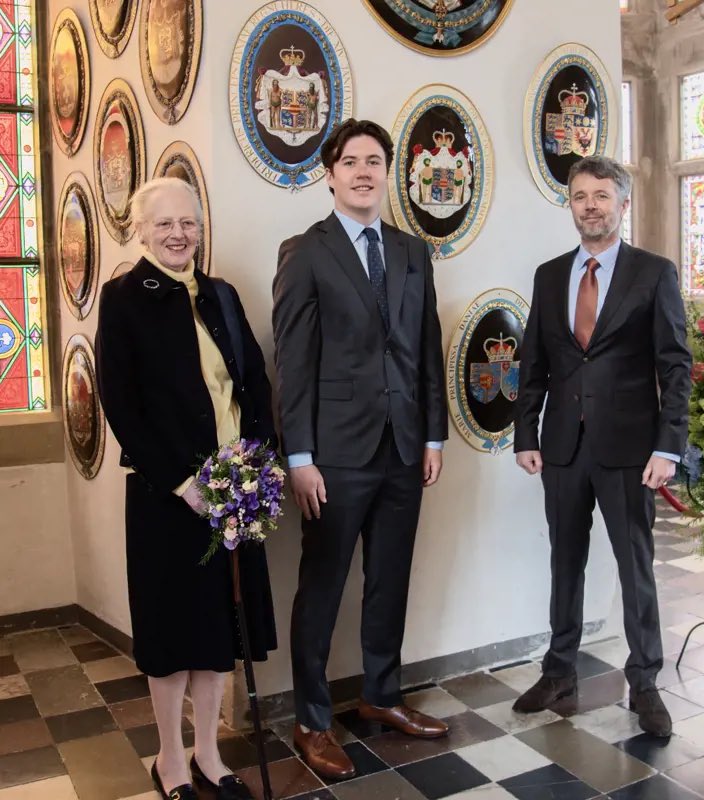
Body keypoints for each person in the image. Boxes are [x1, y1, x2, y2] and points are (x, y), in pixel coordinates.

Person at [272, 118, 449, 780]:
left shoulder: (411, 251)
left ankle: (381, 696)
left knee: (390, 580)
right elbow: (291, 362)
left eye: (376, 160)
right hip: (335, 456)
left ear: (388, 172)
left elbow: (426, 347)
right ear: (331, 172)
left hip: (404, 447)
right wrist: (300, 458)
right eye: (352, 161)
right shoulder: (306, 251)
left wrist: (433, 434)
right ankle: (313, 721)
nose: (364, 171)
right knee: (322, 587)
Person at [95, 177, 277, 800]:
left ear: (202, 228)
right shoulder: (122, 299)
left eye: (189, 224)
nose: (179, 235)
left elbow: (253, 383)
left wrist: (255, 464)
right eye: (165, 224)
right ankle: (170, 759)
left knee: (217, 633)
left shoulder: (221, 296)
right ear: (141, 230)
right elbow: (120, 403)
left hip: (231, 490)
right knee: (172, 636)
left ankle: (208, 756)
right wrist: (180, 480)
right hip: (165, 497)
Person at [513, 155, 691, 737]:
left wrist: (669, 446)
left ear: (622, 203)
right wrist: (525, 433)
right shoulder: (548, 275)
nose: (590, 205)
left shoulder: (653, 273)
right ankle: (559, 668)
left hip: (631, 451)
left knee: (634, 567)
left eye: (601, 196)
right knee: (564, 563)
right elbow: (533, 363)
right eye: (580, 196)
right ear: (571, 205)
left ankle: (644, 683)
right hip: (562, 447)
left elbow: (675, 366)